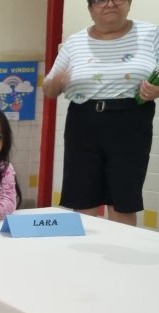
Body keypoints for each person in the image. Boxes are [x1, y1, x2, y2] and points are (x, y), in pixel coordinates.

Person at [43, 0, 158, 226]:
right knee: (82, 195)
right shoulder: (74, 42)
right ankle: (85, 247)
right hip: (83, 121)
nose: (110, 4)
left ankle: (121, 247)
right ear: (90, 8)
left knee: (123, 198)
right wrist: (57, 82)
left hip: (131, 121)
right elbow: (48, 89)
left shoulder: (151, 34)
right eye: (100, 0)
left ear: (129, 3)